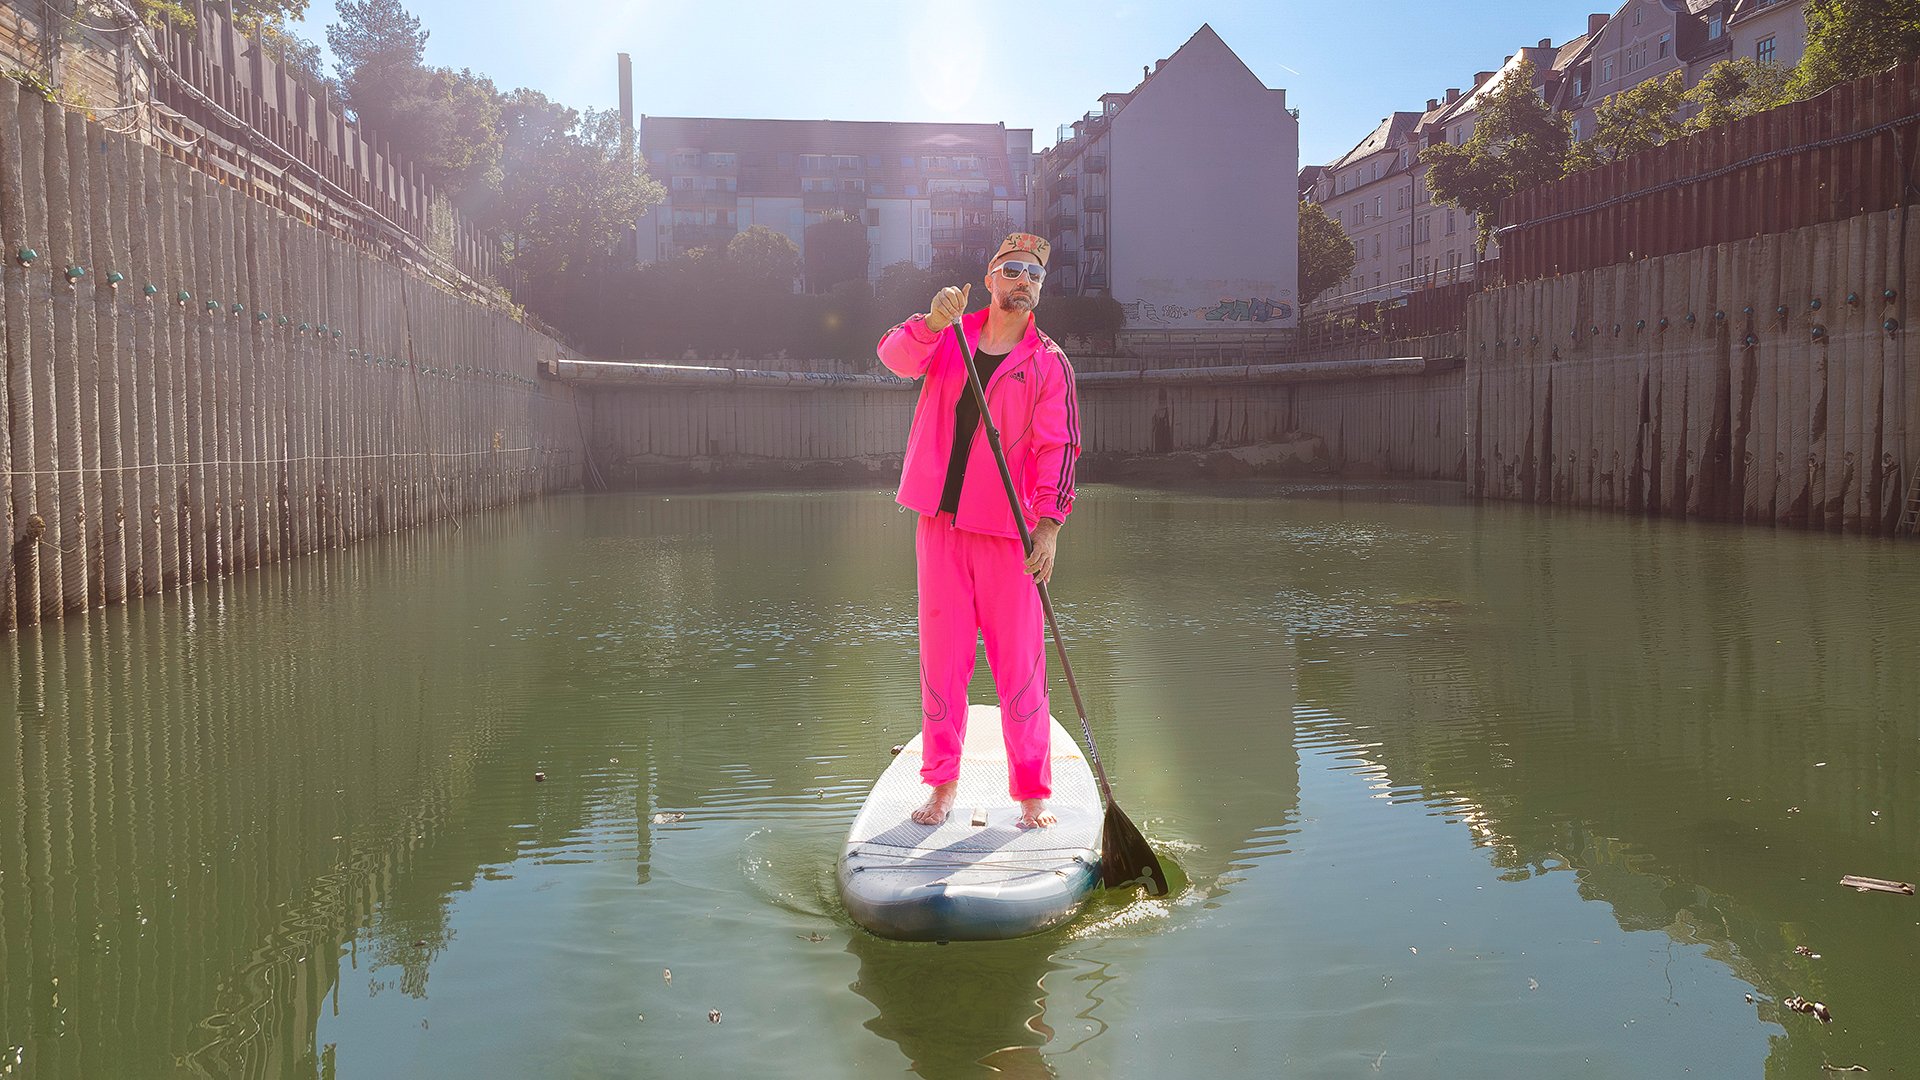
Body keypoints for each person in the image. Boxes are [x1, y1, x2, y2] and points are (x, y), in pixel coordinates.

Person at [876, 233, 1081, 830]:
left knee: (1021, 665)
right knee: (942, 662)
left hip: (1009, 534)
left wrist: (1048, 527)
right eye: (1011, 270)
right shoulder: (949, 337)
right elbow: (894, 358)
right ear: (988, 279)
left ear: (1039, 290)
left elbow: (1058, 447)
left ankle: (1032, 793)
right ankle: (941, 786)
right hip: (938, 524)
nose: (1023, 281)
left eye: (1033, 276)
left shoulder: (1048, 362)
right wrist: (929, 323)